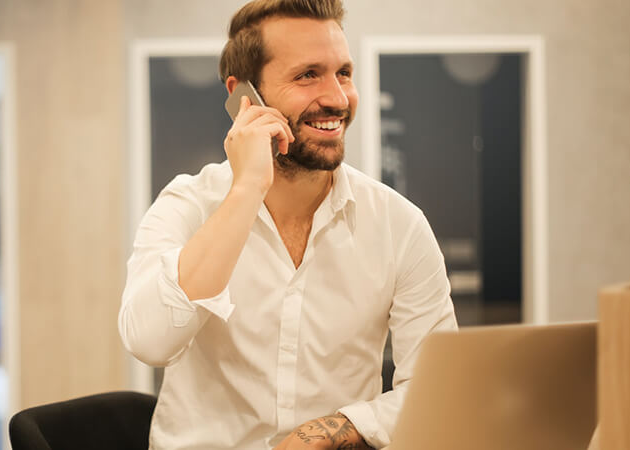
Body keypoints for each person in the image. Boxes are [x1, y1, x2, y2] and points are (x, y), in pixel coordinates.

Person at [119, 0, 458, 448]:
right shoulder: (188, 204)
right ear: (245, 98)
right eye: (307, 75)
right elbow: (150, 342)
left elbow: (436, 392)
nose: (337, 98)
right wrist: (246, 191)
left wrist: (329, 431)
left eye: (344, 73)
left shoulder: (400, 225)